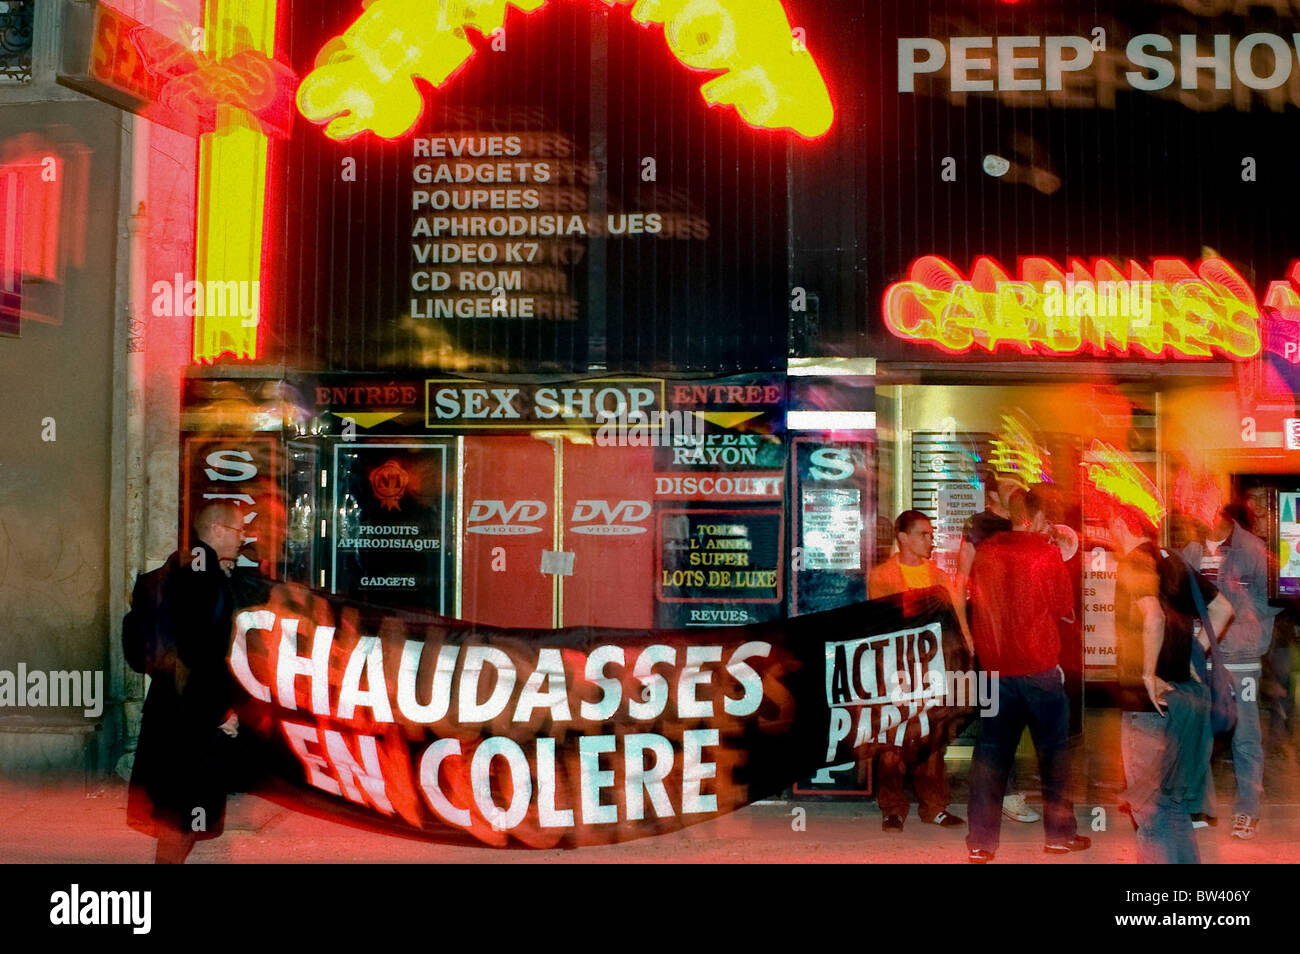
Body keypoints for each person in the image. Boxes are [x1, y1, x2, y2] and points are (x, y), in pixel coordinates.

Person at [964, 490, 1086, 862]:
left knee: (990, 756)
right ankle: (1058, 837)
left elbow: (976, 602)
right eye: (1047, 520)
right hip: (1038, 670)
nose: (1050, 526)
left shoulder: (986, 551)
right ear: (1032, 519)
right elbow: (1064, 608)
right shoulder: (1044, 553)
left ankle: (982, 844)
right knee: (1054, 755)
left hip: (996, 670)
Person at [1111, 502, 1232, 864]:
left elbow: (1153, 616)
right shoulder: (1173, 559)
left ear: (1120, 524)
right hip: (1186, 702)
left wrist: (1147, 673)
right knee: (1176, 808)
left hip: (1150, 706)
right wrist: (1194, 653)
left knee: (1150, 815)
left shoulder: (1135, 562)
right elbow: (1223, 607)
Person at [128, 502, 248, 863]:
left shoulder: (185, 565)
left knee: (179, 817)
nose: (244, 538)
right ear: (216, 529)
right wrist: (218, 713)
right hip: (189, 719)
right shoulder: (202, 575)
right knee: (182, 818)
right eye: (239, 530)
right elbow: (195, 652)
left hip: (171, 710)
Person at [867, 511, 968, 831]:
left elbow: (955, 622)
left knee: (932, 743)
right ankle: (893, 808)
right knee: (891, 745)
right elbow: (880, 625)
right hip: (895, 672)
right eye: (923, 534)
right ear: (903, 538)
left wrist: (965, 648)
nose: (930, 539)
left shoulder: (938, 576)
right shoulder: (882, 575)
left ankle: (934, 806)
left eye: (930, 533)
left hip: (930, 672)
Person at [1182, 503, 1277, 840]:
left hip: (1241, 657)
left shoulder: (1251, 549)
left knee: (1245, 735)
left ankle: (1247, 810)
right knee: (1200, 734)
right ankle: (1200, 807)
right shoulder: (1191, 550)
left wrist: (1250, 621)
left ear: (1222, 517)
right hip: (1203, 656)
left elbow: (1279, 593)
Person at [957, 478, 1040, 826]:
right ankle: (1004, 794)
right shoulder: (979, 526)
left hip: (1017, 639)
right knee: (996, 716)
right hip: (990, 636)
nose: (1017, 488)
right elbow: (960, 581)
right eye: (1009, 484)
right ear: (993, 493)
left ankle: (998, 793)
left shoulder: (1020, 526)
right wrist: (966, 632)